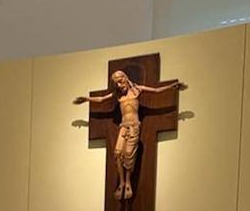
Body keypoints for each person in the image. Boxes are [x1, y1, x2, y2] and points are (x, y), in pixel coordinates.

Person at [73, 70, 186, 201]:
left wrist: (171, 86)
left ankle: (128, 182)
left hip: (134, 126)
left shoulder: (137, 90)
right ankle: (121, 182)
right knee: (117, 153)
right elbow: (102, 99)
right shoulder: (117, 95)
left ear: (126, 78)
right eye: (116, 84)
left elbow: (155, 91)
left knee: (128, 155)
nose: (120, 85)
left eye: (121, 81)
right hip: (123, 126)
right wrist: (86, 99)